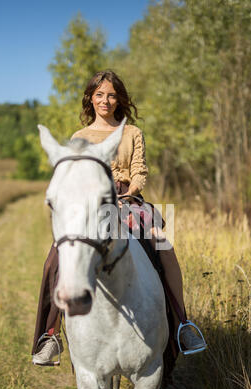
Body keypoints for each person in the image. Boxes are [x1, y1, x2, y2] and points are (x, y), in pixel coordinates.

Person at [32, 70, 206, 367]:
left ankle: (181, 324)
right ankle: (52, 334)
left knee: (164, 246)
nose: (105, 100)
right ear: (91, 98)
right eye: (99, 94)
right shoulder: (80, 137)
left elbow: (139, 170)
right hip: (91, 203)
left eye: (111, 95)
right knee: (56, 256)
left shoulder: (132, 133)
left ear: (119, 99)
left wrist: (129, 193)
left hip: (127, 200)